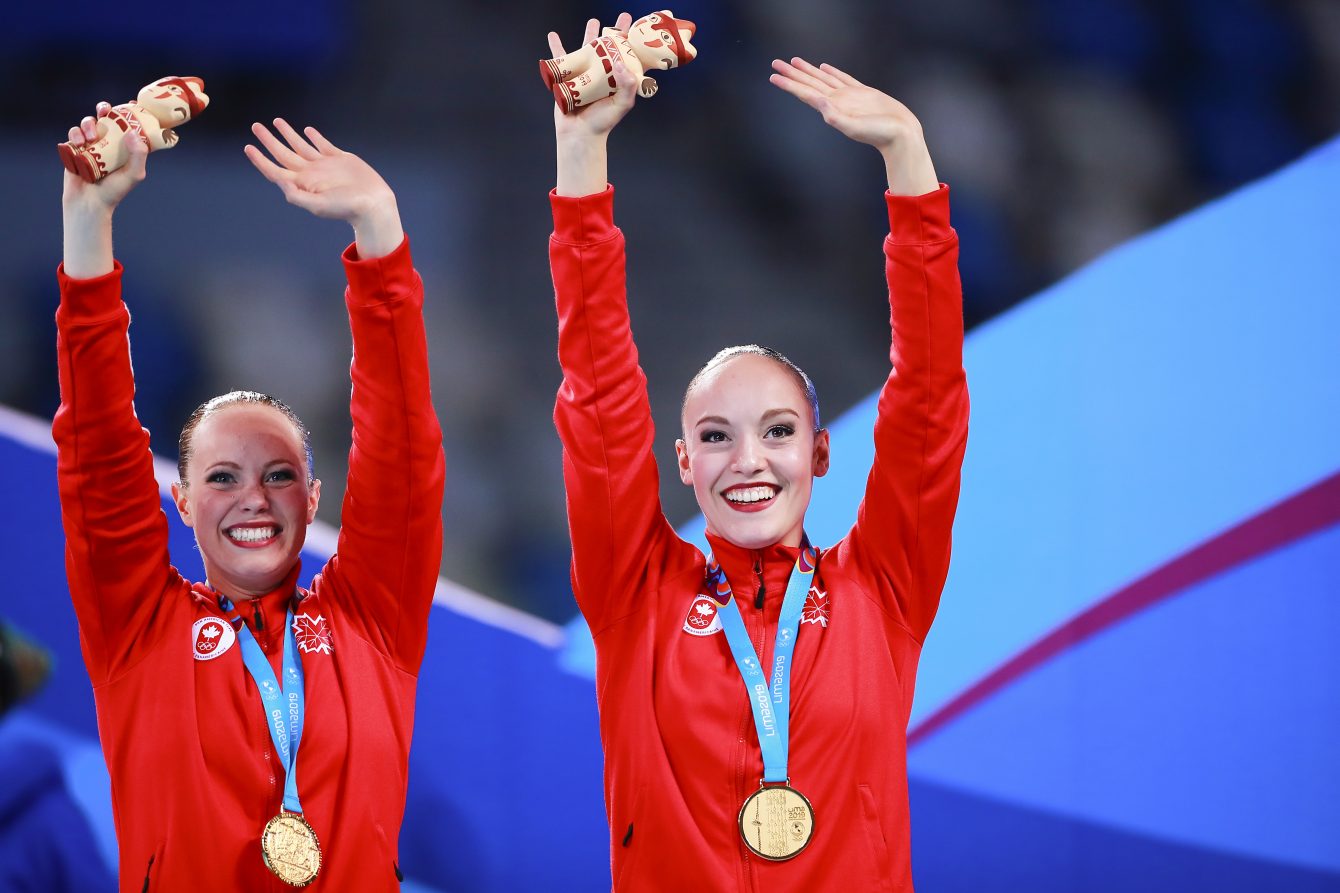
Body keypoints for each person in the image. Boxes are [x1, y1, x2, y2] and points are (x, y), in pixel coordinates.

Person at [547, 15, 969, 891]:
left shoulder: (882, 588)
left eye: (778, 431)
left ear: (820, 453)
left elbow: (927, 403)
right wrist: (581, 154)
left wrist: (908, 162)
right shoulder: (635, 593)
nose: (748, 460)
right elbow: (599, 397)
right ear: (682, 464)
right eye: (715, 436)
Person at [55, 102, 444, 890]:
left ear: (315, 495)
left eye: (278, 475)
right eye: (222, 477)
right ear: (183, 500)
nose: (254, 498)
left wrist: (379, 228)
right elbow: (98, 448)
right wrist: (86, 222)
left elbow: (401, 446)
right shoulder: (138, 627)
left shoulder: (372, 620)